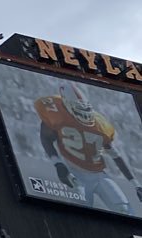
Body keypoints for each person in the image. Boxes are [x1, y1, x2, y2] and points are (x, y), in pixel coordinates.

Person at [37, 85, 142, 215]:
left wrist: (136, 184)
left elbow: (116, 156)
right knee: (82, 213)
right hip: (75, 174)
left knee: (126, 211)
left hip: (99, 175)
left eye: (85, 109)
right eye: (79, 109)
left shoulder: (100, 125)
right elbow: (46, 138)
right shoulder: (56, 112)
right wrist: (58, 164)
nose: (84, 114)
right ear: (67, 105)